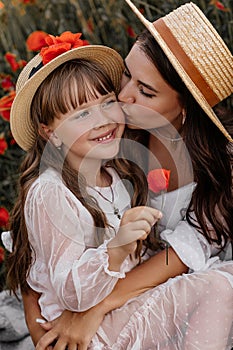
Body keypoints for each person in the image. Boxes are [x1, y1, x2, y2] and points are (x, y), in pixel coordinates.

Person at [6, 2, 233, 349]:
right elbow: (40, 240)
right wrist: (35, 319)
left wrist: (93, 310)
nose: (122, 96)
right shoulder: (108, 136)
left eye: (146, 91)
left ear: (186, 105)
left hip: (154, 297)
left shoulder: (222, 164)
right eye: (126, 74)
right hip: (98, 294)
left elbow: (184, 256)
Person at [4, 30, 164, 347]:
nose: (102, 120)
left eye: (107, 103)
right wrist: (116, 249)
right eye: (82, 114)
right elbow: (72, 295)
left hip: (114, 310)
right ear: (50, 133)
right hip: (78, 331)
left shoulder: (115, 176)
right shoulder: (51, 192)